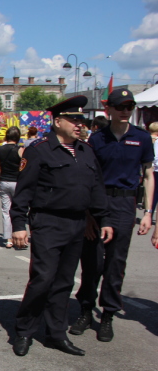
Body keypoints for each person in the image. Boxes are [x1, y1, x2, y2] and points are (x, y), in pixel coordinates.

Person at [10, 96, 113, 357]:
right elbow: (24, 191)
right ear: (57, 122)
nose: (79, 125)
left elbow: (97, 188)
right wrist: (19, 224)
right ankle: (24, 331)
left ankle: (56, 334)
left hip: (77, 223)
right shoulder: (40, 149)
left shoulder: (86, 151)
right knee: (43, 279)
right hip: (48, 222)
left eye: (82, 120)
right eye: (74, 120)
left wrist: (105, 219)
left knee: (64, 282)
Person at [70, 89, 155, 342]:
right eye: (120, 106)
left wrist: (149, 213)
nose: (125, 110)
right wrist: (87, 214)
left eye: (130, 106)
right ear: (110, 109)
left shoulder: (142, 138)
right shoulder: (97, 139)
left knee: (116, 264)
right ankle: (86, 310)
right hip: (98, 201)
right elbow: (86, 177)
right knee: (92, 261)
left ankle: (107, 315)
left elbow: (149, 175)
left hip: (126, 202)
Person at [0, 126, 24, 248]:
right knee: (18, 209)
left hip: (4, 181)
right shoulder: (20, 150)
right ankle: (19, 234)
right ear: (18, 137)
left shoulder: (0, 149)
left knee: (6, 211)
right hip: (17, 181)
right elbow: (24, 166)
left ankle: (8, 239)